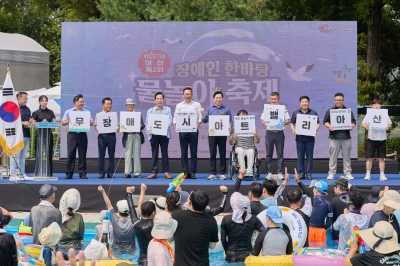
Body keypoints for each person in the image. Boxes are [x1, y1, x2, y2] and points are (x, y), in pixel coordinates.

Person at [171, 190, 219, 266]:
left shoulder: (176, 216)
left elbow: (170, 238)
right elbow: (212, 246)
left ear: (189, 203)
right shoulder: (211, 221)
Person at [220, 192, 264, 263]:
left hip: (231, 255)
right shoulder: (254, 219)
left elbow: (222, 239)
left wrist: (226, 251)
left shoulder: (226, 219)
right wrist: (256, 249)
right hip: (247, 256)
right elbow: (264, 232)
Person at [201, 89, 233, 180]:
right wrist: (202, 114)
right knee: (212, 153)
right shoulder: (209, 108)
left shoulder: (226, 109)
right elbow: (204, 120)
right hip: (212, 134)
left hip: (222, 134)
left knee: (222, 152)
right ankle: (213, 172)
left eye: (220, 98)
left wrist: (230, 126)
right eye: (216, 98)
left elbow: (230, 121)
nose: (218, 99)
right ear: (213, 99)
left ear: (222, 99)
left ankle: (222, 172)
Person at [323, 92, 356, 180]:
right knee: (333, 157)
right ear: (334, 101)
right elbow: (325, 121)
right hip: (334, 137)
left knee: (346, 157)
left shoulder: (348, 111)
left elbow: (353, 121)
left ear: (343, 100)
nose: (338, 101)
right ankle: (331, 173)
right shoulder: (330, 111)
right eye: (337, 100)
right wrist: (329, 126)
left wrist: (352, 126)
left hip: (346, 137)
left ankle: (348, 173)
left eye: (340, 100)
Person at [277, 168, 312, 247]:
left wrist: (285, 181)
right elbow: (310, 194)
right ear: (301, 199)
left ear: (287, 200)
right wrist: (298, 181)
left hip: (287, 249)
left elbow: (277, 196)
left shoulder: (283, 212)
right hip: (303, 249)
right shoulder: (306, 212)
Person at [61, 94, 93, 179]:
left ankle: (82, 173)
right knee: (71, 153)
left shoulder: (86, 112)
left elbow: (92, 123)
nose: (82, 103)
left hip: (82, 134)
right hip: (72, 134)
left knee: (82, 154)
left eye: (83, 102)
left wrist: (89, 121)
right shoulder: (69, 111)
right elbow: (63, 123)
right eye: (81, 101)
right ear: (75, 102)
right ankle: (69, 173)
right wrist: (69, 120)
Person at [173, 86, 202, 179]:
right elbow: (175, 117)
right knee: (183, 152)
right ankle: (185, 171)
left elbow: (200, 117)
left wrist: (198, 125)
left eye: (189, 94)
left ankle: (192, 172)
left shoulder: (197, 104)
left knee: (194, 152)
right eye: (186, 94)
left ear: (192, 95)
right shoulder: (179, 105)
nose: (187, 95)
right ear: (183, 95)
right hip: (183, 131)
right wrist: (175, 126)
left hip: (193, 131)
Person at [260, 92, 290, 180]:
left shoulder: (283, 108)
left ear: (278, 99)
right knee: (269, 154)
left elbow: (287, 120)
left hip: (279, 133)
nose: (273, 101)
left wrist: (284, 122)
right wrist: (265, 122)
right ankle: (269, 173)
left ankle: (280, 173)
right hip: (269, 133)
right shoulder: (266, 108)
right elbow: (262, 120)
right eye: (272, 99)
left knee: (280, 154)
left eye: (275, 99)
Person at [290, 96, 320, 180]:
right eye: (302, 102)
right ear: (300, 103)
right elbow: (292, 123)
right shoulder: (296, 113)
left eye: (306, 102)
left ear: (309, 103)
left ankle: (309, 173)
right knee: (300, 156)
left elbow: (318, 124)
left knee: (310, 156)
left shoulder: (313, 113)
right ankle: (301, 173)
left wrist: (315, 130)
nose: (304, 103)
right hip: (299, 138)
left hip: (310, 139)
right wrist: (293, 130)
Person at [98, 185, 136, 252]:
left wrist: (103, 191)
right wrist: (142, 190)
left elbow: (109, 204)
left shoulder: (115, 219)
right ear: (130, 211)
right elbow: (140, 206)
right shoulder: (134, 220)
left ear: (118, 211)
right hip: (131, 250)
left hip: (116, 250)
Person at [362, 99, 392, 181]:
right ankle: (368, 174)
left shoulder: (384, 114)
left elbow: (390, 124)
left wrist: (388, 127)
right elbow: (363, 123)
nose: (376, 106)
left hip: (382, 139)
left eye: (378, 104)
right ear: (372, 105)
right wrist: (367, 127)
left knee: (381, 158)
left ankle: (382, 175)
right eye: (374, 104)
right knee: (369, 158)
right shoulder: (369, 114)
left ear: (381, 105)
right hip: (372, 138)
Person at [146, 92, 173, 179]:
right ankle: (154, 172)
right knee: (154, 153)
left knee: (165, 153)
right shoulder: (150, 111)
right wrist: (150, 130)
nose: (159, 100)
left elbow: (170, 120)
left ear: (163, 100)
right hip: (154, 135)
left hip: (164, 134)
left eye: (161, 99)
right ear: (155, 100)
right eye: (158, 99)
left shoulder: (167, 109)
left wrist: (163, 128)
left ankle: (166, 172)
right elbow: (147, 122)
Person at [298, 180, 333, 247]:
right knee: (320, 253)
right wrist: (323, 227)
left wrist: (309, 186)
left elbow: (301, 195)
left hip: (309, 230)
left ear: (316, 190)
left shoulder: (310, 200)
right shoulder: (329, 204)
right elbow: (329, 223)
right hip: (321, 231)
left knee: (309, 252)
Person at [229, 109, 260, 177]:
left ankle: (249, 171)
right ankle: (242, 171)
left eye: (244, 116)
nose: (243, 118)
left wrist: (255, 135)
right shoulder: (234, 128)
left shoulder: (253, 127)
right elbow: (231, 143)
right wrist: (234, 137)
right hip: (239, 147)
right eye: (241, 116)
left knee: (251, 151)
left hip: (250, 147)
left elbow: (257, 141)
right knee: (241, 151)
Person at [10, 91, 33, 180]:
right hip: (17, 135)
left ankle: (21, 174)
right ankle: (12, 174)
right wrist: (23, 123)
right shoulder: (14, 108)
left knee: (23, 156)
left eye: (26, 98)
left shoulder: (27, 109)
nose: (26, 100)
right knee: (15, 155)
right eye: (24, 98)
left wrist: (31, 121)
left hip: (26, 133)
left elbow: (29, 119)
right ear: (18, 99)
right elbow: (12, 121)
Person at [31, 95, 57, 177]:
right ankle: (38, 172)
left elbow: (54, 123)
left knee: (49, 153)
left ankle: (49, 173)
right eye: (43, 101)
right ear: (39, 102)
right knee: (39, 154)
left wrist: (50, 124)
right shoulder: (36, 113)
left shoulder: (51, 112)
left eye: (46, 100)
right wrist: (41, 123)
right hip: (40, 135)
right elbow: (33, 123)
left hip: (48, 135)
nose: (44, 102)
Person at [94, 97, 119, 179]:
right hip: (102, 136)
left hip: (111, 136)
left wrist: (118, 128)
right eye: (107, 104)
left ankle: (110, 172)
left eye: (110, 104)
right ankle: (101, 172)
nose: (109, 105)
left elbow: (118, 125)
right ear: (103, 105)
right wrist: (98, 129)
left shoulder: (114, 115)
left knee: (111, 155)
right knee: (101, 155)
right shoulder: (99, 115)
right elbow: (95, 125)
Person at [122, 98, 145, 178]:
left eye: (132, 105)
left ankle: (137, 173)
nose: (130, 106)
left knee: (136, 154)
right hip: (127, 135)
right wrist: (121, 126)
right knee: (127, 154)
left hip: (136, 135)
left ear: (134, 105)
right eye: (128, 105)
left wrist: (140, 126)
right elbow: (122, 126)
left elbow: (143, 124)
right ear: (126, 106)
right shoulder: (124, 115)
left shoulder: (138, 114)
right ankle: (127, 172)